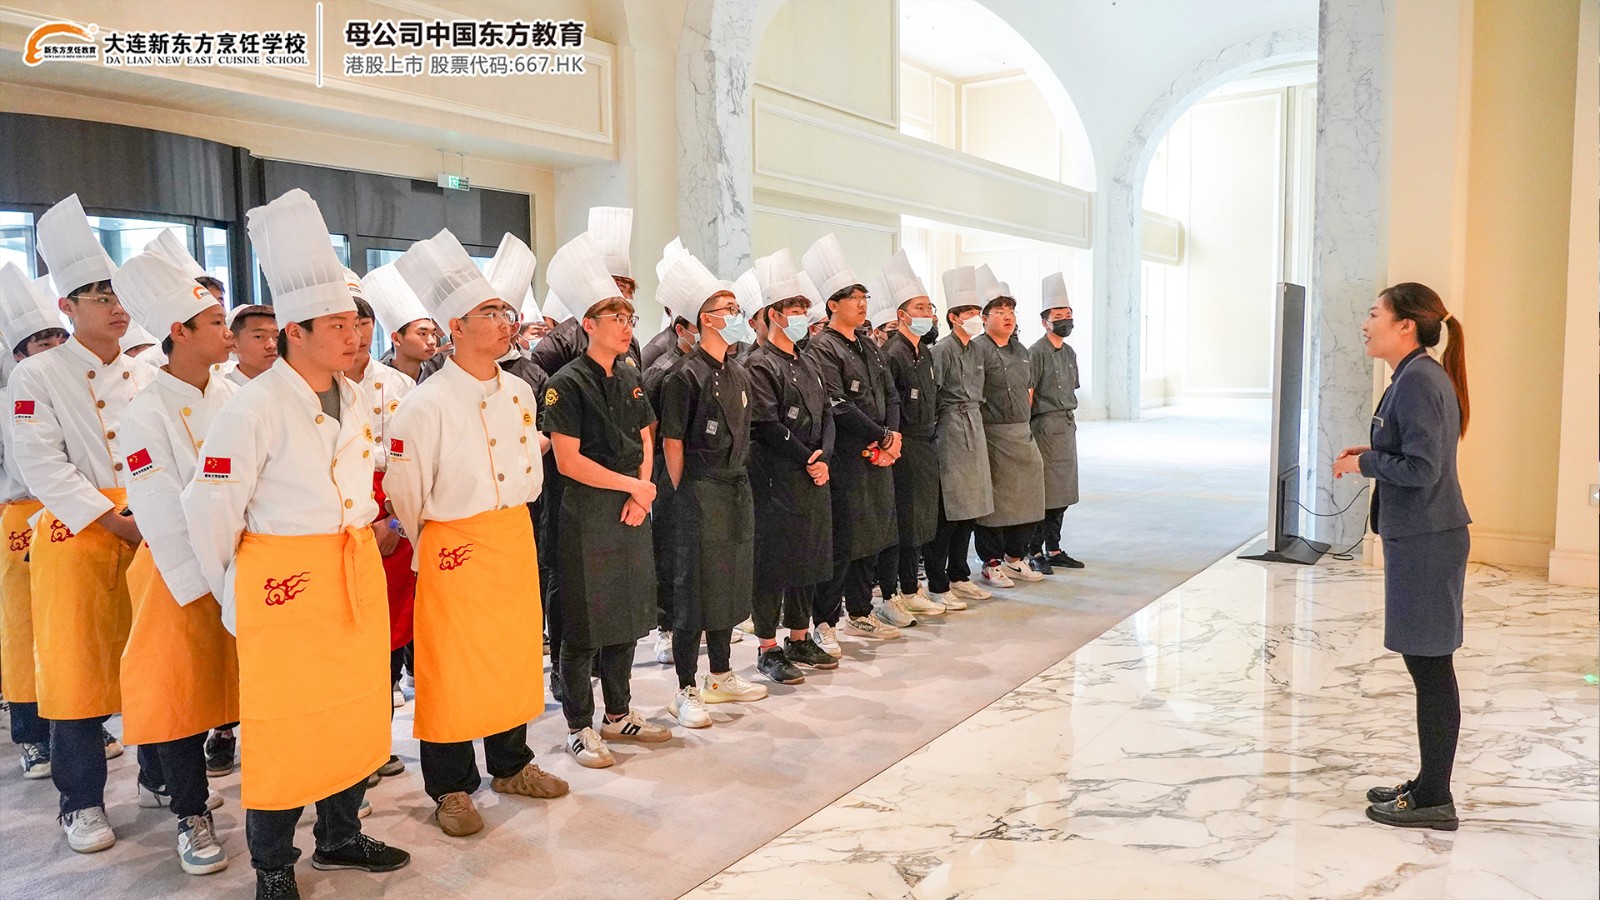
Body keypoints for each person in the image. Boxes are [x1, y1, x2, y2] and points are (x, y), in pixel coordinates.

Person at [182, 189, 408, 898]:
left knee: (354, 705)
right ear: (295, 333)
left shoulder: (356, 395)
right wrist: (236, 586)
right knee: (284, 723)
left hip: (350, 566)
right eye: (336, 325)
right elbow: (210, 509)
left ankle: (338, 835)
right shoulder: (251, 408)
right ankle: (273, 863)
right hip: (281, 579)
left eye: (356, 323)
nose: (354, 336)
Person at [388, 228, 568, 837]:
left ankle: (511, 763)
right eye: (488, 313)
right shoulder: (426, 402)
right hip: (453, 541)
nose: (503, 322)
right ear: (454, 328)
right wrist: (436, 541)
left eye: (504, 312)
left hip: (511, 533)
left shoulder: (519, 391)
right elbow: (406, 491)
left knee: (512, 654)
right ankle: (451, 786)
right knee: (451, 664)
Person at [9, 194, 157, 853]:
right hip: (76, 533)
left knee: (156, 658)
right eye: (98, 296)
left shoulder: (148, 373)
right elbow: (39, 461)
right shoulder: (36, 375)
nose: (114, 306)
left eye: (117, 294)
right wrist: (111, 517)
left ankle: (160, 777)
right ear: (66, 307)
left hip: (148, 524)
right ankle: (81, 802)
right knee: (76, 671)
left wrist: (150, 511)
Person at [113, 250, 238, 875]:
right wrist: (205, 577)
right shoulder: (144, 412)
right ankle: (190, 813)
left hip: (241, 562)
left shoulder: (234, 395)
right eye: (214, 322)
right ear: (178, 333)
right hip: (177, 572)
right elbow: (158, 508)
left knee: (243, 687)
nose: (226, 331)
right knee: (181, 696)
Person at [1333, 282, 1471, 832]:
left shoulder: (1418, 381)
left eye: (1375, 314)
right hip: (1423, 538)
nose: (1366, 324)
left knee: (1431, 667)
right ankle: (1426, 781)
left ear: (1405, 325)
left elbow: (1423, 469)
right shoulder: (1414, 376)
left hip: (1428, 541)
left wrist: (1363, 465)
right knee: (1426, 664)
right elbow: (1416, 452)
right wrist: (1372, 451)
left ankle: (1435, 797)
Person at [543, 233, 671, 761]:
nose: (626, 326)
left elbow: (646, 436)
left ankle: (619, 714)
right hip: (585, 515)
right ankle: (580, 725)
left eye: (629, 317)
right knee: (582, 624)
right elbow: (567, 460)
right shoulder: (565, 383)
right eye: (615, 317)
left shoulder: (631, 376)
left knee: (625, 615)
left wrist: (641, 494)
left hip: (630, 510)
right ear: (588, 325)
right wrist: (633, 487)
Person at [658, 246, 767, 726]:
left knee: (729, 581)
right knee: (693, 592)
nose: (736, 315)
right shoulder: (684, 375)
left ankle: (720, 675)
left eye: (737, 308)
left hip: (735, 488)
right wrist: (684, 494)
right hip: (698, 492)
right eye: (727, 309)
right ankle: (685, 687)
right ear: (704, 319)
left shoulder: (738, 370)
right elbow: (672, 443)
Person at [802, 234, 904, 643]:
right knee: (844, 542)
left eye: (865, 297)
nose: (863, 304)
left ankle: (861, 611)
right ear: (833, 305)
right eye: (854, 298)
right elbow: (838, 405)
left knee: (874, 537)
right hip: (847, 456)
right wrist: (882, 435)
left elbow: (891, 394)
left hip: (879, 454)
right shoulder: (822, 348)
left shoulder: (868, 345)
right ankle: (824, 621)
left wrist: (892, 437)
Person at [744, 248, 840, 680]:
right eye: (794, 308)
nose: (802, 315)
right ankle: (767, 647)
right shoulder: (759, 364)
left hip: (813, 476)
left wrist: (824, 457)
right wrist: (808, 458)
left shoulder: (809, 358)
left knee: (809, 559)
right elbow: (767, 424)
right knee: (773, 564)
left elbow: (828, 414)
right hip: (777, 478)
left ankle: (799, 638)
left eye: (803, 307)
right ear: (774, 315)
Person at [0, 264, 70, 781]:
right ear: (19, 354)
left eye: (58, 338)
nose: (53, 348)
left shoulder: (74, 388)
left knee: (70, 628)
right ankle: (31, 735)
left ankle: (78, 719)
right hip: (22, 515)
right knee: (24, 629)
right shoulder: (10, 398)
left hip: (72, 514)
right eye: (42, 342)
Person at [872, 251, 948, 622]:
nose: (927, 314)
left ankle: (913, 588)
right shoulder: (893, 353)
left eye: (929, 308)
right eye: (919, 308)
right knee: (904, 520)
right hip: (902, 446)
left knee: (921, 521)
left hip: (925, 443)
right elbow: (889, 404)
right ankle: (900, 591)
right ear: (902, 315)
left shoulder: (925, 353)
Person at [970, 266, 1045, 588]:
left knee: (1029, 497)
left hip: (1022, 433)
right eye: (999, 311)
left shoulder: (1022, 351)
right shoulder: (977, 349)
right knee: (995, 504)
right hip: (992, 434)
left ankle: (1016, 558)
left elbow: (1029, 390)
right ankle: (991, 562)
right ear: (984, 317)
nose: (1007, 317)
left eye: (1011, 311)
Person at [926, 267, 992, 609]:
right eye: (969, 313)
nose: (975, 318)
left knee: (970, 508)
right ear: (953, 317)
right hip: (951, 429)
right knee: (949, 510)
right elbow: (932, 396)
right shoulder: (942, 350)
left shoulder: (977, 350)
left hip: (974, 427)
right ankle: (937, 583)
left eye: (977, 312)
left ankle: (960, 575)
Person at [530, 208, 641, 376]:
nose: (625, 298)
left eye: (628, 291)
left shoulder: (631, 342)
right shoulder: (557, 345)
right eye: (620, 288)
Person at [1026, 273, 1084, 574]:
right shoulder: (1036, 352)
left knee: (1063, 492)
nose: (1065, 321)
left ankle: (1055, 548)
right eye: (1058, 317)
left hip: (1066, 428)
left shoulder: (1069, 352)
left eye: (1068, 315)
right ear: (1045, 322)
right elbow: (1029, 393)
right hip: (1044, 429)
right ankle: (1034, 551)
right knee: (1045, 492)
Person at [224, 305, 279, 385]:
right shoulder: (223, 389)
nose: (272, 345)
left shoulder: (291, 384)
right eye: (259, 336)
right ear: (233, 344)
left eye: (277, 337)